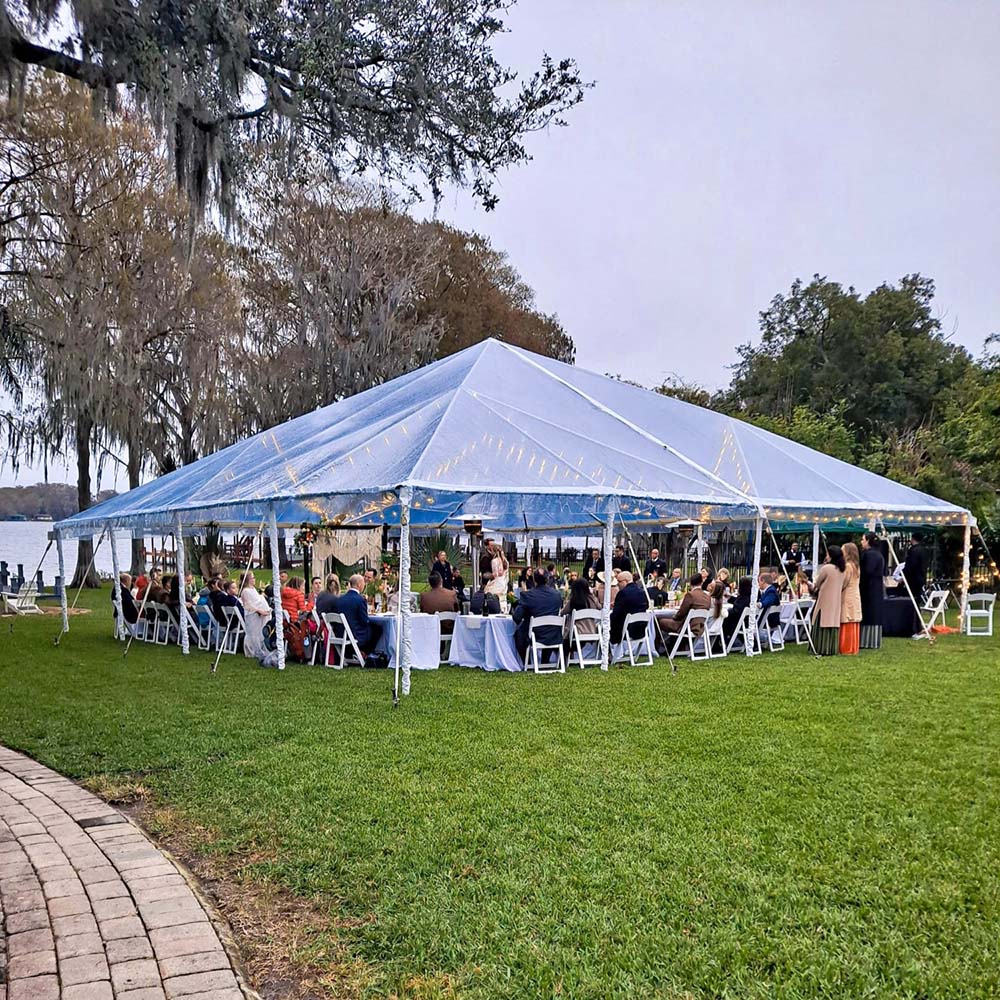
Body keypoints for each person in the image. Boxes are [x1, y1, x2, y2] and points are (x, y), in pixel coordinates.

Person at [512, 569, 562, 663]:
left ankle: (527, 662)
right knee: (547, 628)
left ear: (534, 579)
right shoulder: (557, 595)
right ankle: (545, 660)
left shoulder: (528, 595)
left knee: (519, 634)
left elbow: (517, 617)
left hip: (535, 633)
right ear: (547, 579)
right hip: (554, 633)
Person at [810, 546, 846, 656]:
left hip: (825, 599)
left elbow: (817, 582)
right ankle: (831, 647)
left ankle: (820, 646)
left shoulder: (827, 568)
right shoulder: (842, 570)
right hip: (836, 600)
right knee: (832, 622)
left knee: (822, 621)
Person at [337, 574, 383, 655]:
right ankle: (365, 653)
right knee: (378, 629)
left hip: (340, 633)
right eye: (363, 583)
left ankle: (358, 652)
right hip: (355, 635)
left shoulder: (340, 599)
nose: (364, 585)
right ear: (359, 585)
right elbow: (364, 621)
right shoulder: (360, 599)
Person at [859, 532, 886, 650]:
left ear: (868, 541)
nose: (861, 542)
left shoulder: (869, 555)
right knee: (874, 612)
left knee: (868, 613)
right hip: (876, 587)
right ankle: (873, 640)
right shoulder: (879, 554)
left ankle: (866, 640)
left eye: (863, 539)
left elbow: (867, 572)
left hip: (868, 588)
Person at [609, 571, 648, 644]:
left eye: (619, 581)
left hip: (626, 630)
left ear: (625, 581)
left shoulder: (623, 593)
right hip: (641, 629)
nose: (617, 584)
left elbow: (616, 614)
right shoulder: (642, 592)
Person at [239, 571, 271, 658]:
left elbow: (257, 601)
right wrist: (258, 611)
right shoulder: (245, 591)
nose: (254, 579)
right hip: (252, 615)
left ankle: (261, 649)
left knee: (259, 632)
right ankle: (251, 650)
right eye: (253, 578)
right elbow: (248, 605)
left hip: (259, 614)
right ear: (248, 580)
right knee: (253, 633)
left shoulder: (253, 590)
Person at [903, 533, 929, 638]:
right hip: (920, 579)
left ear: (912, 539)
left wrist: (903, 576)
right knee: (917, 602)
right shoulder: (924, 550)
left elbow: (910, 566)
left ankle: (913, 626)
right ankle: (917, 625)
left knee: (911, 603)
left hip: (912, 580)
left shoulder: (913, 551)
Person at [561, 577, 600, 648]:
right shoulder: (593, 599)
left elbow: (562, 612)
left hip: (576, 633)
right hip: (592, 630)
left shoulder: (573, 601)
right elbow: (600, 608)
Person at [840, 542, 862, 655]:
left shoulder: (848, 566)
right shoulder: (856, 565)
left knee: (847, 618)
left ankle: (846, 647)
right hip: (855, 594)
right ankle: (853, 646)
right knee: (853, 618)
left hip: (848, 595)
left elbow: (844, 582)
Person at [723, 576, 753, 645]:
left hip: (738, 624)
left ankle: (722, 642)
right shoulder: (749, 597)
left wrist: (727, 611)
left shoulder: (744, 599)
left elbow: (736, 611)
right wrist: (730, 598)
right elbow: (738, 601)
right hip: (746, 622)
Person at [486, 542, 509, 609]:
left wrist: (488, 575)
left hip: (497, 582)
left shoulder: (494, 561)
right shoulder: (505, 561)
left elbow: (495, 574)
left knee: (491, 597)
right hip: (503, 582)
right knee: (503, 600)